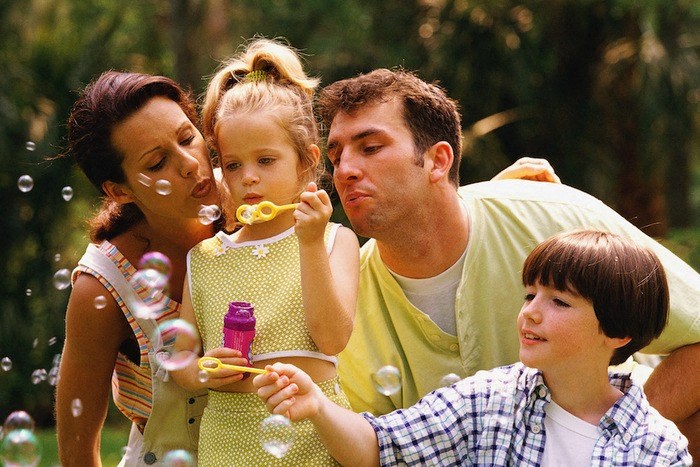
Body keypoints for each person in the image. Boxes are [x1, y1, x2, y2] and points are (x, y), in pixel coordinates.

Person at [315, 68, 700, 451]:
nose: (344, 171)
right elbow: (371, 448)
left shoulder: (552, 216)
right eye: (336, 155)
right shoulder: (339, 302)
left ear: (438, 161)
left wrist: (605, 443)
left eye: (370, 148)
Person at [255, 230, 692, 466]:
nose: (531, 314)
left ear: (617, 333)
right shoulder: (487, 400)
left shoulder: (658, 448)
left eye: (559, 301)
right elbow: (378, 446)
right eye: (529, 295)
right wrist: (317, 405)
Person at [168, 38, 360, 465]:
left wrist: (309, 242)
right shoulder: (204, 258)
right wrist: (203, 370)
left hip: (314, 433)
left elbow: (332, 337)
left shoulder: (333, 241)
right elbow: (180, 362)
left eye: (266, 160)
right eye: (233, 165)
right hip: (229, 440)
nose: (248, 178)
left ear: (306, 162)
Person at [55, 71, 220, 465]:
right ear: (120, 191)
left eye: (187, 138)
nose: (189, 164)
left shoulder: (258, 209)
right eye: (158, 162)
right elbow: (77, 454)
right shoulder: (103, 286)